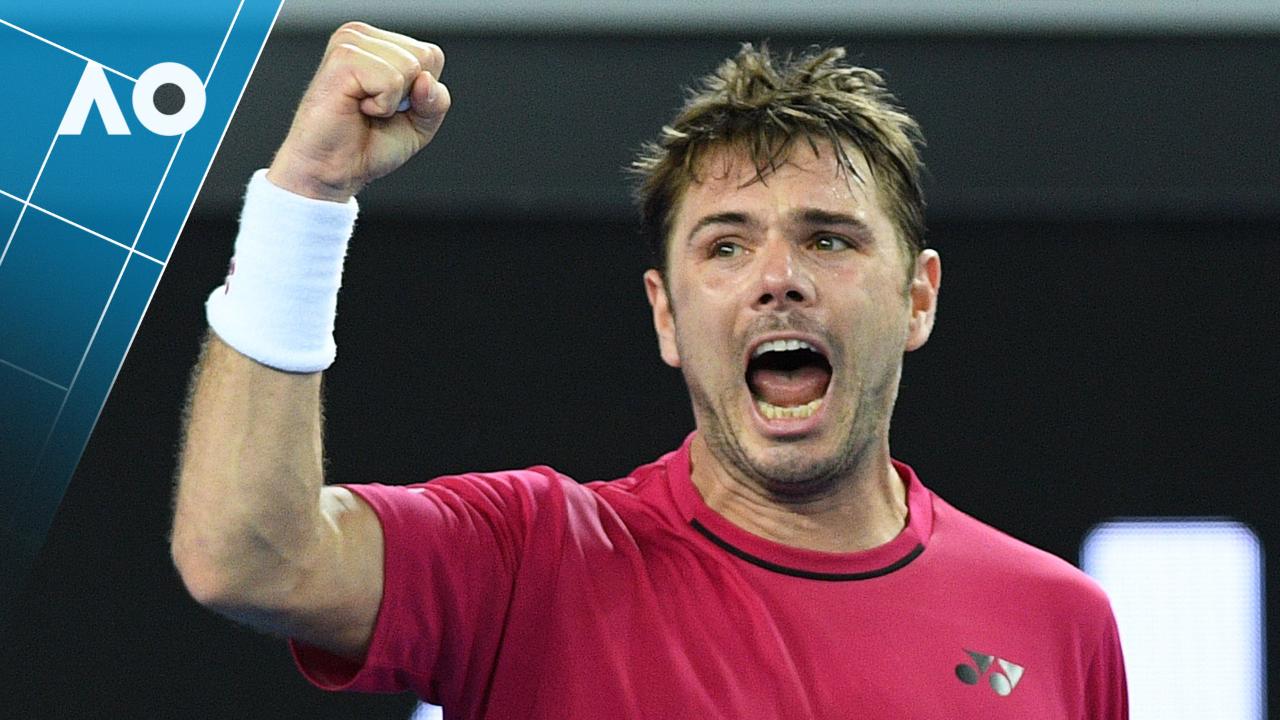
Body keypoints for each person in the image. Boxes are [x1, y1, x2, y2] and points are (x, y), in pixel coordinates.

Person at [171, 22, 1128, 719]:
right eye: (726, 247)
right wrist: (308, 194)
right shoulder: (536, 563)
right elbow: (248, 555)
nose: (779, 280)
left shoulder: (1058, 621)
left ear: (918, 297)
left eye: (829, 239)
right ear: (667, 316)